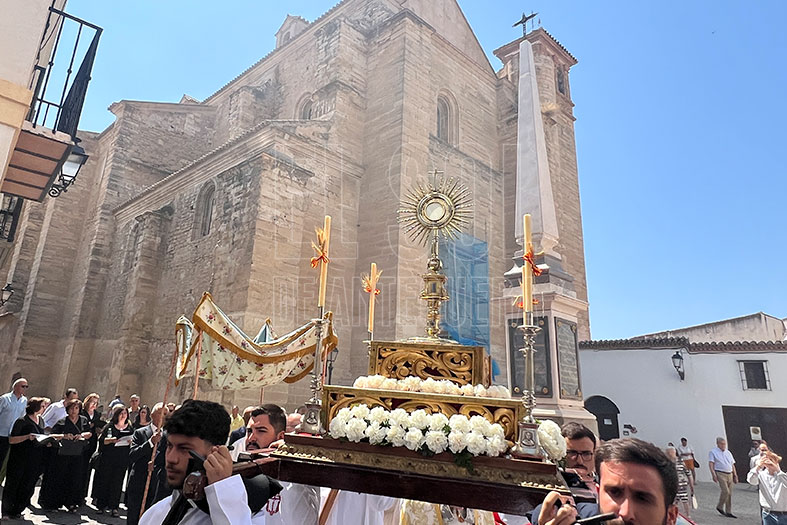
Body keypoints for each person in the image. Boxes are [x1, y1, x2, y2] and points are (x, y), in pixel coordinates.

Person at [139, 400, 283, 524]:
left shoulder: (255, 514)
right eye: (170, 446)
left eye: (184, 449)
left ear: (215, 453)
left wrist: (222, 488)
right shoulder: (153, 515)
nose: (171, 458)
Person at [229, 404, 319, 525]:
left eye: (261, 431)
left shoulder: (292, 479)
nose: (251, 438)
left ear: (280, 437)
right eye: (249, 431)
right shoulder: (240, 464)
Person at [529, 422, 600, 525]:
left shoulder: (604, 485)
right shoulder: (548, 486)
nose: (579, 460)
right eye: (572, 453)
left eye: (586, 454)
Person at [39, 398, 92, 512]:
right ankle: (54, 503)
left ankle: (71, 503)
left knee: (74, 478)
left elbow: (89, 433)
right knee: (59, 477)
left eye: (76, 408)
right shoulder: (62, 421)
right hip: (62, 454)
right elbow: (53, 435)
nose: (74, 410)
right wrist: (64, 436)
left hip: (77, 453)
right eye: (71, 408)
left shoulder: (83, 420)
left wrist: (81, 435)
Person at [1, 397, 49, 519]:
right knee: (13, 484)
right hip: (19, 457)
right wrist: (27, 437)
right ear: (35, 407)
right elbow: (12, 440)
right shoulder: (22, 421)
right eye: (42, 406)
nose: (44, 408)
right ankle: (6, 511)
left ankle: (18, 509)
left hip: (35, 458)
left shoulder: (41, 420)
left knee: (28, 484)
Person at [127, 403, 171, 525]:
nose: (163, 417)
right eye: (160, 413)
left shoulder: (168, 436)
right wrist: (150, 442)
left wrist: (155, 463)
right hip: (139, 480)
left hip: (156, 483)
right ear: (152, 415)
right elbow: (132, 455)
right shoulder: (140, 433)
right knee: (134, 515)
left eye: (166, 414)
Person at [93, 404, 134, 516]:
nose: (123, 415)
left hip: (122, 459)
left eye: (125, 413)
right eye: (121, 413)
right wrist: (112, 440)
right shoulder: (110, 426)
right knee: (104, 481)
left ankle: (114, 507)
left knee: (117, 483)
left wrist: (130, 442)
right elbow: (102, 440)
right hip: (108, 458)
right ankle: (101, 506)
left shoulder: (130, 428)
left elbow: (133, 441)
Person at [0, 377, 29, 483]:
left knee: (8, 460)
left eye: (26, 387)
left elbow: (23, 416)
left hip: (14, 435)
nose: (25, 389)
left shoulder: (24, 400)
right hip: (2, 433)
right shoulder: (4, 399)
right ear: (15, 387)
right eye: (23, 386)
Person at [748, 446, 787, 524]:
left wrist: (777, 470)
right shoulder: (761, 475)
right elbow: (751, 480)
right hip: (768, 513)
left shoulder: (783, 475)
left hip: (784, 514)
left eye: (771, 460)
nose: (769, 463)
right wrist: (758, 467)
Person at [80, 392, 106, 498]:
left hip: (92, 441)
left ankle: (84, 493)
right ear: (87, 402)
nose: (94, 405)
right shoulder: (82, 412)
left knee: (88, 468)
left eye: (96, 403)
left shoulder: (97, 414)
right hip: (82, 442)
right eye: (92, 402)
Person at [709, 436, 738, 518]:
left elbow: (732, 464)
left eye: (724, 444)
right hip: (720, 473)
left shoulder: (728, 453)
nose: (723, 445)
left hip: (729, 473)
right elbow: (711, 463)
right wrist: (713, 474)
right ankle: (720, 506)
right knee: (725, 491)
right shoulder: (713, 452)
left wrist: (735, 475)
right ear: (718, 444)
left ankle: (728, 511)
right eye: (721, 444)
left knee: (729, 494)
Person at [666, 446, 693, 519]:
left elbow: (688, 473)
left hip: (681, 484)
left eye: (670, 453)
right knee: (674, 501)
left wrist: (691, 486)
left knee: (684, 499)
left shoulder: (681, 461)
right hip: (672, 484)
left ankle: (688, 515)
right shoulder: (667, 462)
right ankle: (674, 515)